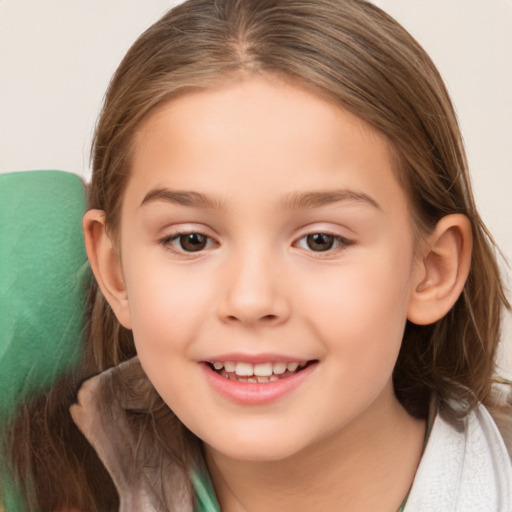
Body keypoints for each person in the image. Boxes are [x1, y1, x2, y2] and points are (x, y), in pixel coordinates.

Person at [3, 0, 512, 510]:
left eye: (321, 240)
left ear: (432, 270)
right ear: (115, 271)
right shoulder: (41, 476)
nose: (250, 300)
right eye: (191, 240)